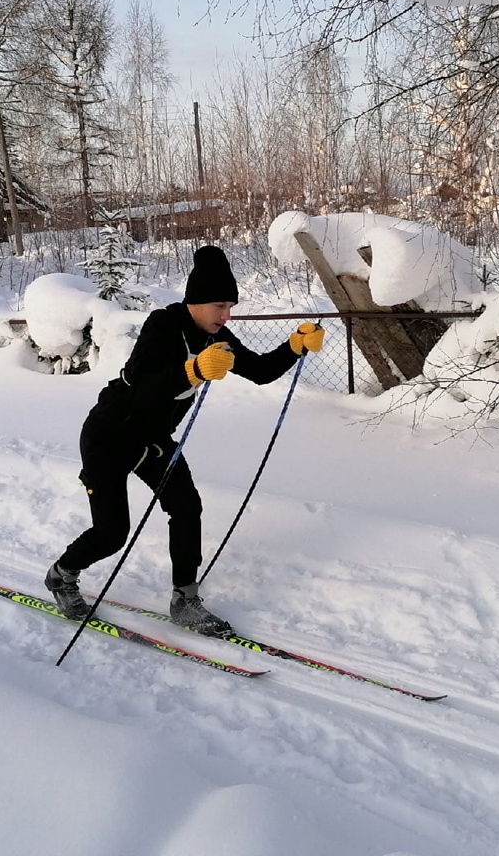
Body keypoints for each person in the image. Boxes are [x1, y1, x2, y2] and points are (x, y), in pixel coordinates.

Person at [45, 245, 325, 635]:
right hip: (109, 435)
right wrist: (191, 370)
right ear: (195, 301)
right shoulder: (162, 325)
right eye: (220, 306)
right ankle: (62, 575)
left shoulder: (217, 337)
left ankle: (185, 599)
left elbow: (260, 371)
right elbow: (141, 390)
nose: (226, 315)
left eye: (230, 307)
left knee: (187, 507)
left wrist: (294, 347)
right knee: (112, 534)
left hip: (153, 441)